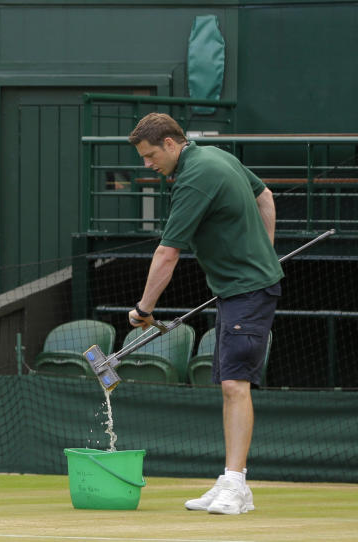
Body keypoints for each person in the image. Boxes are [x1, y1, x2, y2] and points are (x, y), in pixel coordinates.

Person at [126, 113, 283, 515]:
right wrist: (265, 250)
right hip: (239, 289)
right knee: (231, 384)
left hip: (247, 290)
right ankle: (230, 481)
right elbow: (265, 196)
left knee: (235, 385)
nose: (148, 164)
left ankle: (236, 486)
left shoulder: (194, 178)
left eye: (150, 155)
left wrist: (144, 309)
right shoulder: (216, 155)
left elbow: (167, 253)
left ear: (171, 143)